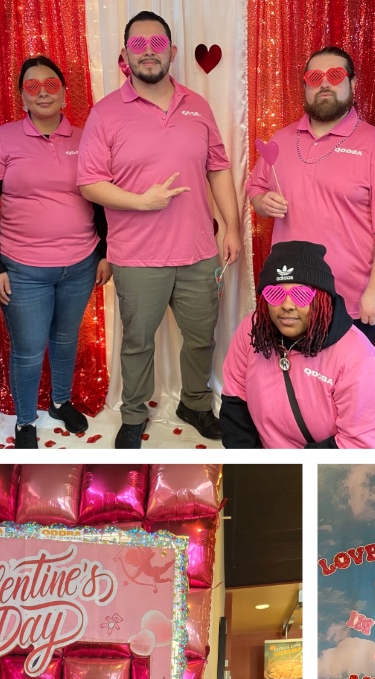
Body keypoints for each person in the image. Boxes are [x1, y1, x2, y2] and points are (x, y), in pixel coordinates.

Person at [78, 11, 241, 446]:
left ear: (172, 51)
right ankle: (133, 414)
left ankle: (195, 402)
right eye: (138, 45)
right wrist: (140, 202)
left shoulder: (198, 106)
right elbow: (90, 183)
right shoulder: (106, 113)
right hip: (136, 257)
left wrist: (231, 227)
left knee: (201, 337)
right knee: (137, 344)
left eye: (157, 44)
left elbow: (219, 168)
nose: (148, 52)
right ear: (124, 57)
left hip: (198, 252)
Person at [0, 56, 112, 449]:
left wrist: (105, 252)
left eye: (51, 84)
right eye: (32, 87)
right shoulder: (1, 140)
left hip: (81, 264)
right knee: (30, 350)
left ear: (65, 91)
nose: (44, 92)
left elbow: (102, 203)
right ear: (22, 97)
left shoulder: (87, 138)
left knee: (67, 340)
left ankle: (61, 401)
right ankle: (25, 420)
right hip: (22, 270)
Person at [247, 46, 375, 342]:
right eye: (314, 77)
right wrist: (262, 202)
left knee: (345, 386)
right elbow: (255, 188)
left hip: (348, 303)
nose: (324, 83)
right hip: (289, 297)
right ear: (305, 87)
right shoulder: (281, 140)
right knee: (291, 383)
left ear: (352, 84)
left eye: (335, 75)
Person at [220, 241, 375, 448]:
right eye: (275, 294)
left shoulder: (362, 362)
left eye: (301, 295)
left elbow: (359, 447)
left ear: (322, 300)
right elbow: (235, 397)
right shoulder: (253, 328)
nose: (287, 306)